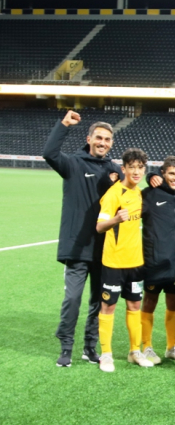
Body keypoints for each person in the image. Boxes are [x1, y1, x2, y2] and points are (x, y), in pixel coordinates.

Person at [42, 110, 121, 367]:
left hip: (105, 248)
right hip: (77, 247)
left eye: (107, 139)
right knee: (73, 299)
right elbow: (49, 154)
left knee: (99, 301)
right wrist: (64, 125)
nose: (103, 143)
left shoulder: (114, 171)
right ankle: (66, 346)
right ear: (89, 139)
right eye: (99, 137)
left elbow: (130, 191)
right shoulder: (72, 163)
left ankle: (90, 346)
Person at [96, 148, 151, 373]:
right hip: (114, 261)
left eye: (140, 168)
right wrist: (115, 219)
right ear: (123, 169)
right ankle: (106, 354)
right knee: (108, 306)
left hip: (135, 262)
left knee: (135, 305)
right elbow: (99, 227)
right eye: (132, 167)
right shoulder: (113, 193)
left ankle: (134, 352)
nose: (136, 172)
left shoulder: (140, 193)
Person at [139, 155, 175, 365]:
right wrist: (149, 175)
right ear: (163, 174)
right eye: (171, 173)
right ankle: (147, 346)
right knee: (149, 300)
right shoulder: (149, 194)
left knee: (174, 301)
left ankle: (171, 347)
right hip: (155, 259)